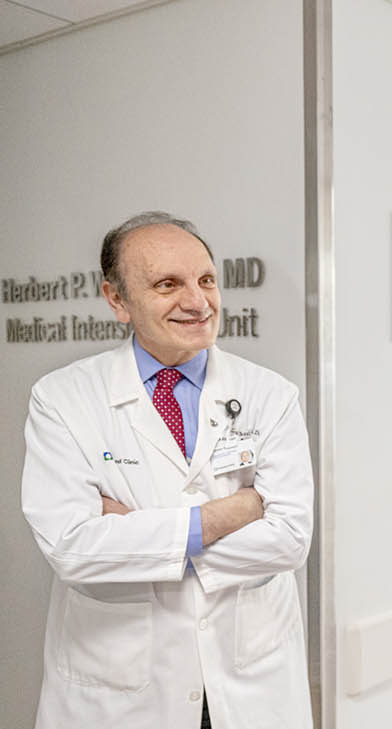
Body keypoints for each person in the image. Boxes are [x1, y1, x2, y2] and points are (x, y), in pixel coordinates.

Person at [21, 212, 314, 729]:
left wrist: (136, 531)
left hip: (248, 677)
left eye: (205, 280)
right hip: (121, 690)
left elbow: (290, 539)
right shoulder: (63, 399)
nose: (198, 301)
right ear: (117, 300)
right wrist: (232, 512)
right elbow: (70, 547)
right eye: (167, 285)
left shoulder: (271, 395)